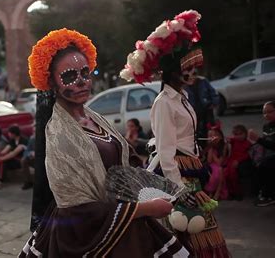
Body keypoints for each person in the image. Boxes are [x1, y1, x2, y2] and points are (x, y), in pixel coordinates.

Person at [20, 28, 187, 257]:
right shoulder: (59, 135)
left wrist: (155, 183)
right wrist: (144, 208)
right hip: (97, 239)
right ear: (51, 82)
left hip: (128, 224)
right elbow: (76, 211)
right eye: (69, 76)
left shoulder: (93, 117)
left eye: (86, 73)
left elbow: (124, 161)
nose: (81, 82)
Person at [122, 11, 229, 256]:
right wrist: (179, 192)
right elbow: (166, 150)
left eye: (194, 69)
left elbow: (184, 138)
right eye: (187, 69)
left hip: (191, 170)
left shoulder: (184, 98)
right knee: (188, 232)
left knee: (202, 230)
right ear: (172, 72)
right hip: (177, 176)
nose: (193, 74)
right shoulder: (163, 103)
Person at [0, 125, 27, 190]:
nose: (8, 134)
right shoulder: (12, 140)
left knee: (3, 161)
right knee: (3, 162)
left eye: (9, 133)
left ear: (13, 133)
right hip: (13, 160)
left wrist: (0, 159)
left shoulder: (23, 140)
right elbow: (5, 150)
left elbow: (13, 154)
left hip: (22, 161)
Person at [225, 125, 252, 200]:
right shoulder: (234, 140)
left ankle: (237, 192)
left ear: (245, 134)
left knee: (234, 176)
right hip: (231, 160)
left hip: (237, 160)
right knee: (226, 174)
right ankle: (231, 192)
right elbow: (229, 139)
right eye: (236, 134)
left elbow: (247, 155)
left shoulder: (247, 143)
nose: (239, 136)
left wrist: (238, 161)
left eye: (241, 134)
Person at [203, 127, 229, 200]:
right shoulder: (210, 146)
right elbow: (209, 161)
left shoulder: (224, 145)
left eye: (214, 135)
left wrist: (214, 153)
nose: (212, 138)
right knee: (211, 171)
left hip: (221, 165)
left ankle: (217, 191)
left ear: (220, 136)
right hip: (212, 165)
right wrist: (211, 147)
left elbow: (219, 162)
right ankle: (211, 192)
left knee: (218, 170)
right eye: (210, 136)